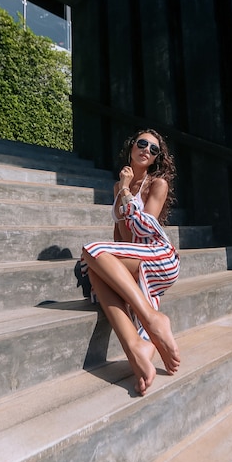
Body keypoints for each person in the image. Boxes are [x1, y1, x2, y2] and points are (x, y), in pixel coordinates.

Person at [81, 129, 181, 396]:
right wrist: (106, 265)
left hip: (160, 258)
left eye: (154, 149)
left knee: (91, 250)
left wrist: (126, 189)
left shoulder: (157, 184)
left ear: (156, 159)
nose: (147, 149)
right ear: (131, 147)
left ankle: (153, 318)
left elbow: (142, 227)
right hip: (137, 267)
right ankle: (134, 348)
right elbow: (118, 236)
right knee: (94, 267)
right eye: (142, 143)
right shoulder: (117, 187)